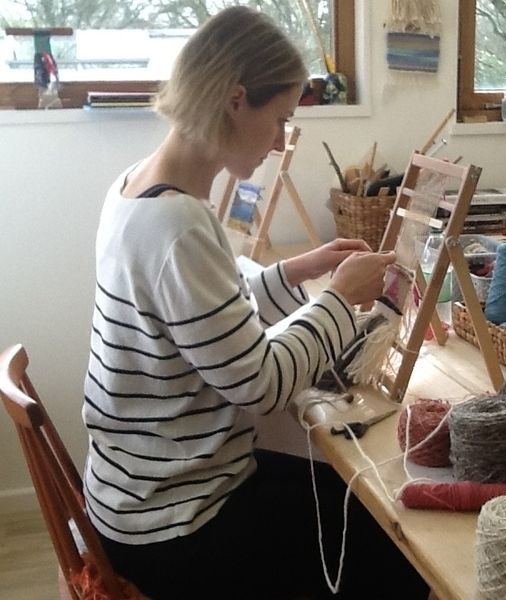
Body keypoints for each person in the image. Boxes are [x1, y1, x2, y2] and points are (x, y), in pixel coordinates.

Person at [82, 7, 428, 599]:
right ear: (236, 99)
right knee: (401, 551)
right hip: (178, 523)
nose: (279, 141)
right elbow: (261, 385)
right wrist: (342, 298)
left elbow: (206, 320)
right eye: (280, 119)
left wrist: (297, 271)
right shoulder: (178, 224)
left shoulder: (137, 186)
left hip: (137, 495)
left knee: (363, 503)